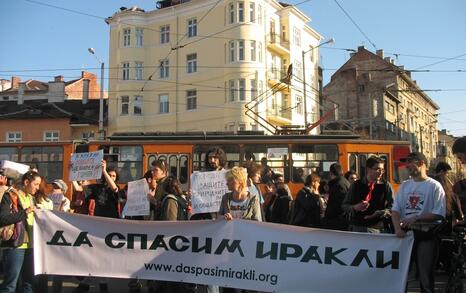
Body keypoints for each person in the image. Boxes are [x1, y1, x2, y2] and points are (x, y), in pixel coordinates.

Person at [391, 152, 446, 293]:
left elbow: (438, 214)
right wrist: (398, 229)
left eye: (410, 162)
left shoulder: (434, 186)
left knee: (425, 277)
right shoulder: (404, 186)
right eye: (407, 162)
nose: (407, 165)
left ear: (421, 163)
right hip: (406, 235)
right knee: (402, 275)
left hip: (426, 236)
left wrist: (416, 218)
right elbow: (395, 210)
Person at [0, 171, 39, 293]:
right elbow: (3, 218)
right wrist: (25, 212)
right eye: (36, 184)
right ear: (26, 182)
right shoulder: (10, 196)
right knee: (10, 284)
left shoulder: (31, 198)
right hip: (15, 245)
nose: (37, 188)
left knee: (28, 283)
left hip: (31, 246)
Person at [84, 160, 120, 292]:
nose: (111, 177)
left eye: (114, 176)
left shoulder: (115, 189)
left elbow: (114, 188)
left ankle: (100, 282)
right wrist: (75, 176)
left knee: (105, 255)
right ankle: (88, 281)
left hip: (110, 224)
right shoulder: (97, 187)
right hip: (98, 223)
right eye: (110, 175)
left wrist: (104, 171)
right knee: (95, 253)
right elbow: (79, 189)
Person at [342, 156, 393, 233]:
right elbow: (344, 206)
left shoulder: (385, 185)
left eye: (382, 170)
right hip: (359, 228)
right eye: (377, 169)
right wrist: (355, 207)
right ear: (368, 169)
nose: (380, 172)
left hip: (378, 229)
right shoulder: (356, 185)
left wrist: (382, 212)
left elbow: (394, 207)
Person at [321, 163, 350, 230]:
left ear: (331, 173)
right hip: (340, 220)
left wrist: (327, 218)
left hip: (337, 222)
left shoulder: (338, 185)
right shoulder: (344, 182)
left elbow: (337, 206)